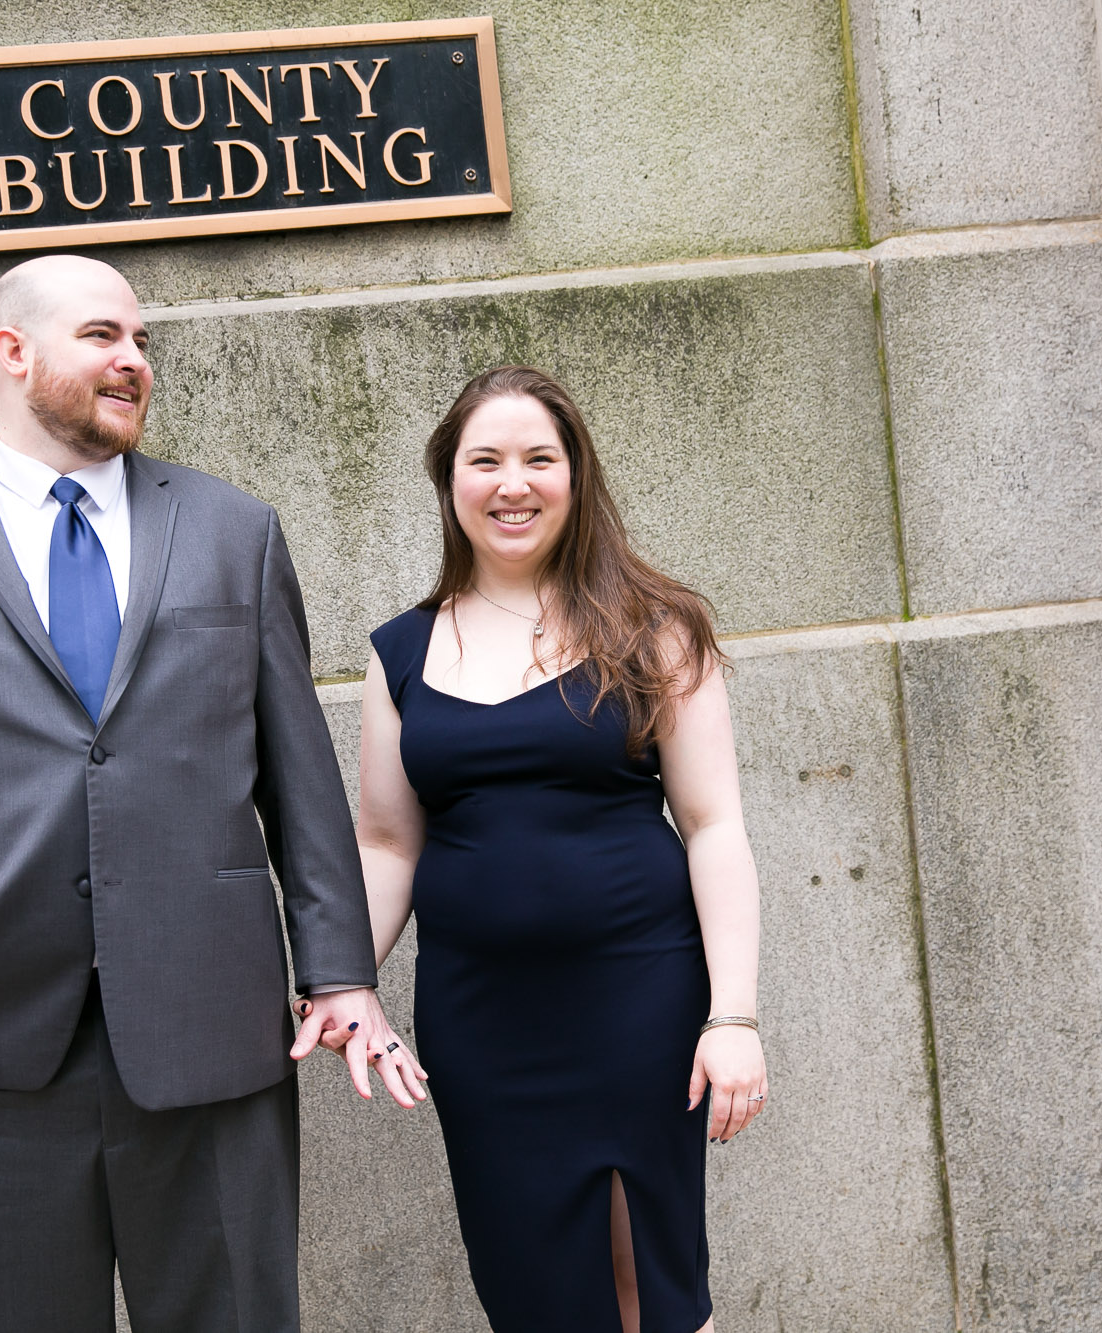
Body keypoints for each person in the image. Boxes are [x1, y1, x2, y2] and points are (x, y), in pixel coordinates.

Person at [0, 253, 422, 1333]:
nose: (133, 361)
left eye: (139, 341)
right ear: (13, 350)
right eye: (102, 336)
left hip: (209, 1037)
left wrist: (339, 971)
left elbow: (300, 779)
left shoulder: (234, 530)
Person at [352, 365, 768, 1333]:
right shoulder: (400, 652)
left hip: (637, 1003)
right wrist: (340, 982)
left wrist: (733, 1015)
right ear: (446, 480)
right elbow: (383, 840)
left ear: (574, 476)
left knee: (644, 1280)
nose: (512, 482)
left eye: (538, 457)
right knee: (531, 1287)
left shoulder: (654, 629)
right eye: (483, 459)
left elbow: (714, 827)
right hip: (481, 1021)